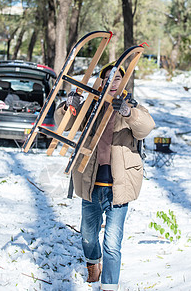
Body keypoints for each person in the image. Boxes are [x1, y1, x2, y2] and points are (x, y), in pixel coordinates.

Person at [54, 62, 155, 291]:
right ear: (101, 81)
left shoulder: (130, 105)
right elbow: (63, 124)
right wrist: (67, 106)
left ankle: (109, 286)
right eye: (107, 78)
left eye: (117, 78)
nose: (112, 82)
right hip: (90, 183)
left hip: (119, 186)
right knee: (88, 236)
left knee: (112, 243)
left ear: (124, 81)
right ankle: (93, 265)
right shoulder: (90, 106)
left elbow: (146, 127)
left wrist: (129, 113)